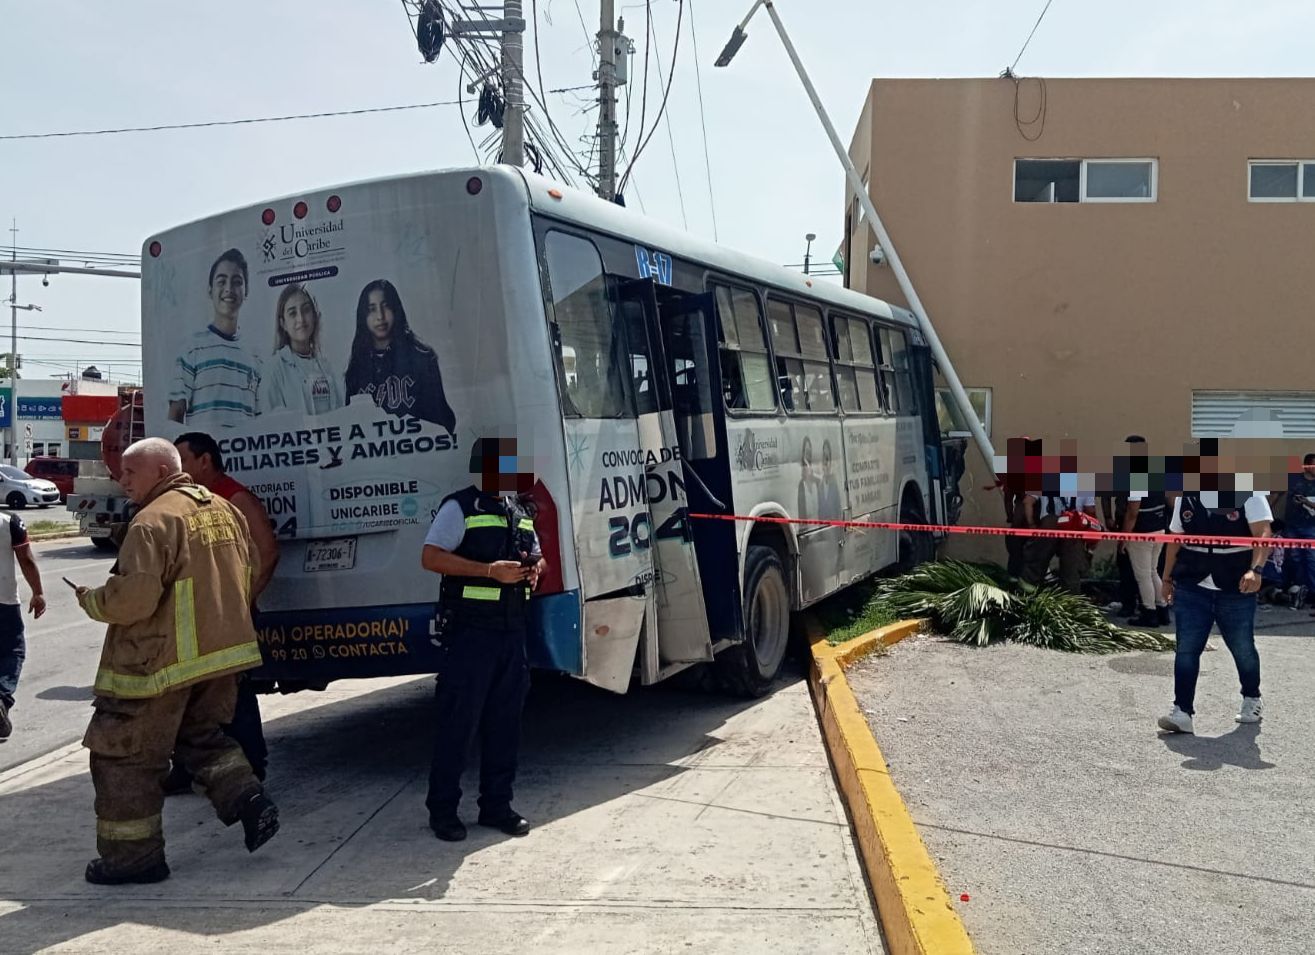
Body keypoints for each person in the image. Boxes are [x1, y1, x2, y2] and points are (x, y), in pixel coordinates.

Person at [74, 438, 278, 884]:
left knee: (124, 759)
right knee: (201, 740)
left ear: (163, 469)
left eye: (131, 472)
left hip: (158, 666)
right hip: (221, 660)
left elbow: (134, 601)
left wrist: (93, 601)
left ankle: (132, 861)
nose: (120, 479)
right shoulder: (224, 511)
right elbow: (250, 569)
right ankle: (248, 798)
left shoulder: (151, 522)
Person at [422, 436, 545, 842]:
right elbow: (432, 556)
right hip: (471, 633)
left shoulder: (520, 510)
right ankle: (443, 811)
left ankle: (497, 806)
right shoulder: (460, 507)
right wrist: (490, 570)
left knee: (504, 725)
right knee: (458, 724)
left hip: (512, 633)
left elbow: (538, 555)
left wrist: (534, 569)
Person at [163, 431, 281, 788]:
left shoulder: (235, 497)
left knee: (234, 698)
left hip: (229, 621)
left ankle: (251, 771)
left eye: (182, 462)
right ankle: (187, 768)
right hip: (190, 620)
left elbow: (268, 553)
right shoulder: (180, 502)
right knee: (186, 698)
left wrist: (240, 603)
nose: (178, 471)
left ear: (205, 460)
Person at [1157, 448, 1273, 735]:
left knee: (1242, 647)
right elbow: (1176, 539)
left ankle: (1252, 697)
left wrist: (1255, 569)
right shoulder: (1187, 496)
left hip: (1235, 583)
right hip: (1192, 583)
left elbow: (1263, 533)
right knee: (1186, 649)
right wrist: (1167, 578)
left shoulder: (1248, 491)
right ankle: (1182, 710)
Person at [344, 279, 456, 434]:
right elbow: (351, 427)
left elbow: (442, 420)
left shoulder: (422, 358)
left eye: (386, 306)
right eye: (372, 309)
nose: (380, 316)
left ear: (396, 309)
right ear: (363, 317)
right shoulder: (356, 368)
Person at [168, 249, 262, 428]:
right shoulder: (192, 349)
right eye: (221, 281)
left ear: (246, 291)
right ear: (210, 290)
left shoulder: (255, 355)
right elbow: (176, 413)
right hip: (205, 456)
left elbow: (258, 420)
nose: (229, 289)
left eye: (237, 282)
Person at [259, 284, 345, 416]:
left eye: (306, 310)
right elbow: (270, 425)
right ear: (283, 324)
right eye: (293, 313)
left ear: (314, 316)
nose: (301, 319)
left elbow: (340, 416)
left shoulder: (327, 367)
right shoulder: (274, 369)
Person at [0, 513, 46, 738]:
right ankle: (2, 697)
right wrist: (38, 592)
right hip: (3, 601)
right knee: (12, 652)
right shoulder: (9, 522)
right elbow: (25, 558)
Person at [1122, 436, 1171, 628]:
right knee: (1152, 572)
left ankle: (1149, 613)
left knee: (1143, 576)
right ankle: (1163, 610)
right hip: (1159, 529)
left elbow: (1133, 511)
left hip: (1142, 532)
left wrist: (1124, 537)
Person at [1020, 490, 1100, 594]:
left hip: (1049, 528)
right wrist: (1093, 537)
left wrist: (1032, 526)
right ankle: (1070, 602)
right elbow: (1090, 512)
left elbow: (1028, 502)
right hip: (1072, 530)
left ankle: (1025, 596)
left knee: (1035, 565)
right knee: (1071, 570)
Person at [1281, 453, 1315, 611]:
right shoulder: (1293, 479)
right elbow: (1277, 492)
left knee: (1311, 560)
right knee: (1293, 558)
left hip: (1311, 526)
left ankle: (1312, 594)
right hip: (1292, 525)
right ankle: (1297, 591)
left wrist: (1307, 502)